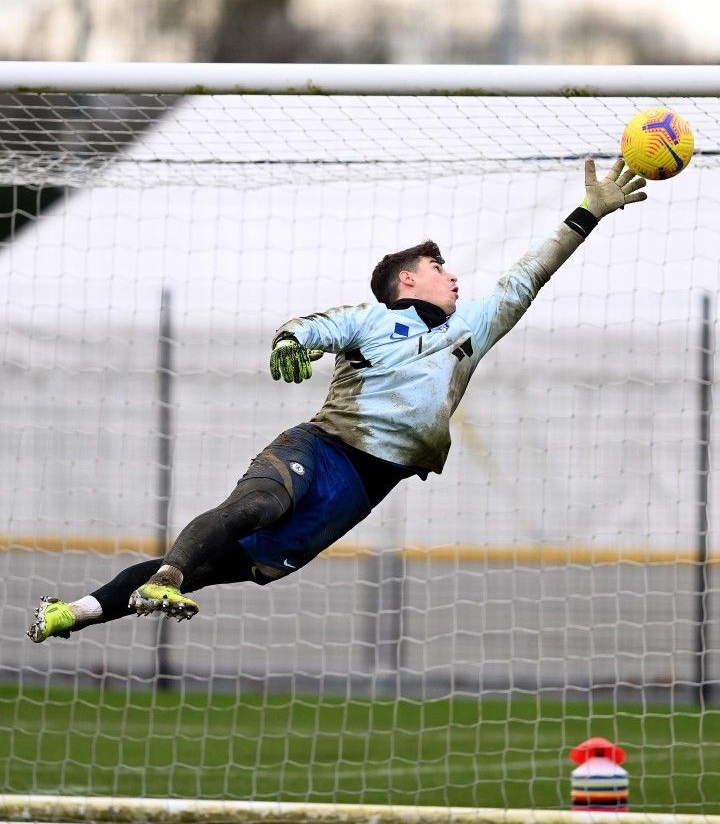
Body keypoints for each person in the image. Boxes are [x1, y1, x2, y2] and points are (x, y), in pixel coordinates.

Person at [27, 159, 646, 642]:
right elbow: (311, 328)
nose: (453, 275)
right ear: (408, 280)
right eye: (439, 264)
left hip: (357, 493)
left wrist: (589, 212)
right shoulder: (372, 319)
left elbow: (528, 275)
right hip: (321, 449)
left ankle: (71, 613)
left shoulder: (472, 329)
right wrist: (288, 341)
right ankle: (163, 582)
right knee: (256, 504)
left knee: (213, 563)